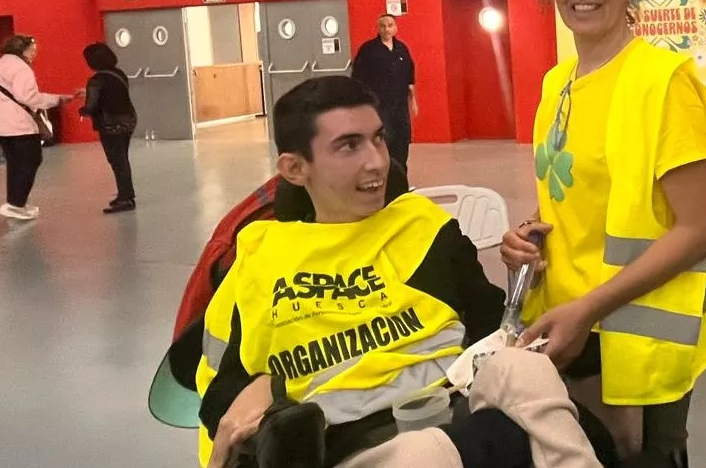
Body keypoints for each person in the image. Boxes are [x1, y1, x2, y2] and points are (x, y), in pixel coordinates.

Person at [500, 0, 706, 467]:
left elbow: (698, 231)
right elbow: (577, 199)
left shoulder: (662, 82)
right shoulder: (558, 83)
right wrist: (529, 239)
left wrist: (589, 309)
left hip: (636, 336)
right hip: (570, 322)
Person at [197, 75, 507, 467]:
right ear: (294, 168)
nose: (377, 160)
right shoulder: (261, 255)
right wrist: (260, 388)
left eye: (378, 138)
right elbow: (219, 391)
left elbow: (494, 327)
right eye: (349, 145)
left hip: (444, 418)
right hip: (333, 447)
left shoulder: (424, 230)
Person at [0, 34, 77, 220]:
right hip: (17, 123)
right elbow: (27, 96)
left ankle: (16, 202)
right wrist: (56, 99)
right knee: (31, 159)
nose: (34, 55)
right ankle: (16, 204)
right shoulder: (21, 68)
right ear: (22, 50)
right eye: (32, 51)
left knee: (15, 162)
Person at [350, 14, 416, 174]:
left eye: (390, 25)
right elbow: (357, 77)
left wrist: (413, 101)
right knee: (385, 142)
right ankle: (384, 180)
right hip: (378, 106)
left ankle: (401, 182)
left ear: (396, 28)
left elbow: (409, 77)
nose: (386, 29)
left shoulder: (402, 49)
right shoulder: (368, 50)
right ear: (378, 28)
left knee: (402, 142)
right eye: (383, 26)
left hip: (399, 106)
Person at [80, 42, 139, 213]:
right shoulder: (119, 74)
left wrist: (81, 110)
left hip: (110, 124)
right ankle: (126, 195)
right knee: (122, 159)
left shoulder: (96, 80)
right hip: (128, 120)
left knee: (117, 161)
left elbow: (91, 106)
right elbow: (114, 94)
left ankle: (125, 198)